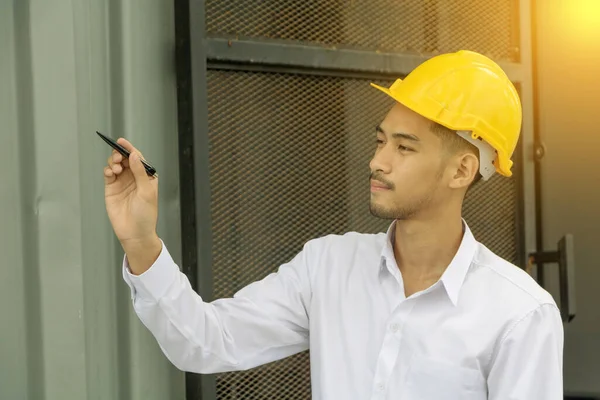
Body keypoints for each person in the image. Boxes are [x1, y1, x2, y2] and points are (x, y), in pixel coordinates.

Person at [103, 50, 563, 399]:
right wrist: (142, 241)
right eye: (380, 140)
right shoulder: (328, 266)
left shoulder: (519, 315)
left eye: (404, 148)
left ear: (461, 171)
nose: (376, 161)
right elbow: (206, 343)